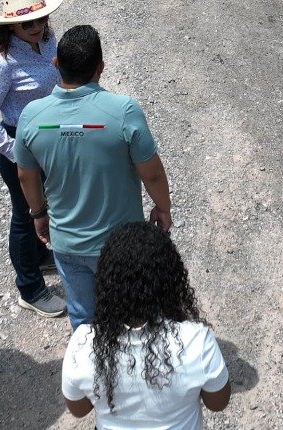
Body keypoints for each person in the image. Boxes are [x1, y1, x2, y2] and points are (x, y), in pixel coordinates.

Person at [15, 25, 172, 328]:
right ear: (100, 67)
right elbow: (151, 173)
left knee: (84, 320)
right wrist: (163, 207)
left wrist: (38, 213)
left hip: (67, 243)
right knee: (132, 318)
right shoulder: (123, 111)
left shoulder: (32, 115)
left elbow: (25, 175)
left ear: (56, 63)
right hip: (121, 245)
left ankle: (88, 359)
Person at [62, 221, 231, 429]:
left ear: (106, 282)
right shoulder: (197, 340)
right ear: (170, 280)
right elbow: (218, 403)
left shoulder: (83, 344)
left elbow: (79, 410)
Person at [0, 0, 66, 318]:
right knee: (26, 216)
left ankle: (39, 258)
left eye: (42, 19)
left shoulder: (48, 40)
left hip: (48, 139)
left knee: (44, 206)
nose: (37, 27)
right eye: (28, 23)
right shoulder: (1, 64)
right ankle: (30, 289)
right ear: (10, 26)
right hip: (20, 145)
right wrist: (17, 152)